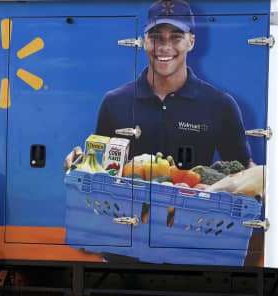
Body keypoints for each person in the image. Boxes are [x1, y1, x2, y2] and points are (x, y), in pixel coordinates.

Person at [64, 0, 255, 173]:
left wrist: (263, 182)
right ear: (144, 42)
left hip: (194, 211)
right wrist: (79, 162)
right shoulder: (114, 102)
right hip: (126, 211)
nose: (164, 47)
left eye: (176, 37)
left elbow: (243, 170)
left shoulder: (220, 105)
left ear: (191, 42)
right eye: (156, 37)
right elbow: (99, 165)